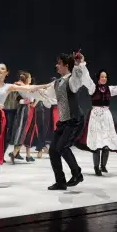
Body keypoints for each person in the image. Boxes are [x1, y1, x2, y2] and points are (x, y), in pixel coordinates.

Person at [36, 52, 92, 190]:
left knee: (62, 147)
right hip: (63, 121)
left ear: (66, 66)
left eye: (59, 63)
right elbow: (46, 95)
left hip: (74, 119)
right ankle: (60, 182)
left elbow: (78, 78)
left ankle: (77, 174)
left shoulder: (72, 80)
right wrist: (30, 91)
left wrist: (78, 64)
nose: (56, 65)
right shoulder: (57, 82)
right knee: (53, 151)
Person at [75, 70, 117, 175]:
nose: (104, 78)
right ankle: (96, 168)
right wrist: (82, 66)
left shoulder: (110, 89)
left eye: (105, 77)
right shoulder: (93, 88)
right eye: (102, 76)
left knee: (106, 143)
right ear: (98, 78)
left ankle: (103, 165)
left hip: (106, 117)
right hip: (95, 116)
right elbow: (87, 79)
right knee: (96, 144)